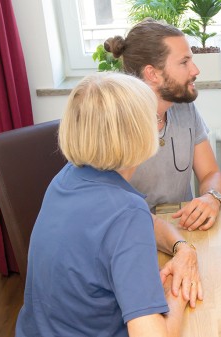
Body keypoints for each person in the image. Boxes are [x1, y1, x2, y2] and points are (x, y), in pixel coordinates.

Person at [16, 73, 189, 336]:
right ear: (136, 134)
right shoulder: (126, 212)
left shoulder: (65, 179)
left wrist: (182, 248)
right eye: (152, 119)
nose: (156, 126)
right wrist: (179, 294)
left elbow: (139, 225)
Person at [105, 19, 221, 232]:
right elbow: (111, 207)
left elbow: (211, 173)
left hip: (183, 228)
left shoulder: (184, 108)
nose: (195, 70)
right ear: (152, 73)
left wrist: (211, 198)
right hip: (136, 234)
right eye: (184, 62)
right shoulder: (116, 124)